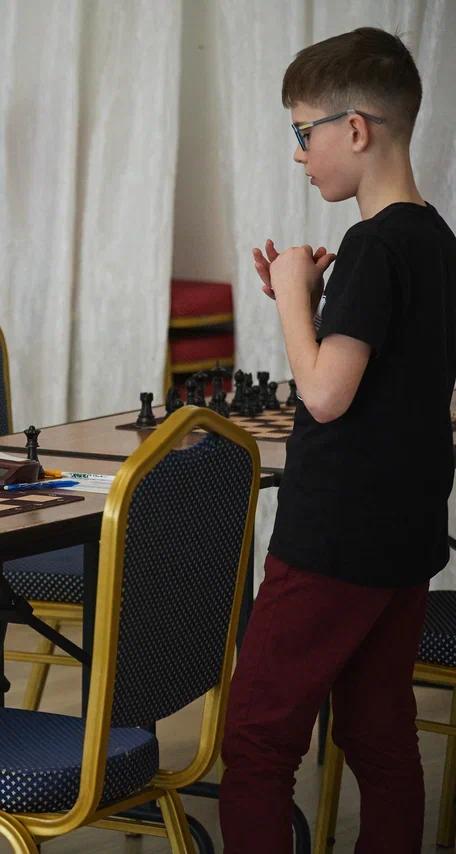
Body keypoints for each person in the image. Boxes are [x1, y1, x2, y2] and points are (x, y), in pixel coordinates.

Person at [220, 28, 456, 852]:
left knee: (257, 741)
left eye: (303, 131)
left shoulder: (371, 244)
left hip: (333, 543)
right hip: (405, 541)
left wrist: (293, 296)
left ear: (355, 129)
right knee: (380, 736)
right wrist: (316, 303)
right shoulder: (437, 241)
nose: (298, 154)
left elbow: (325, 395)